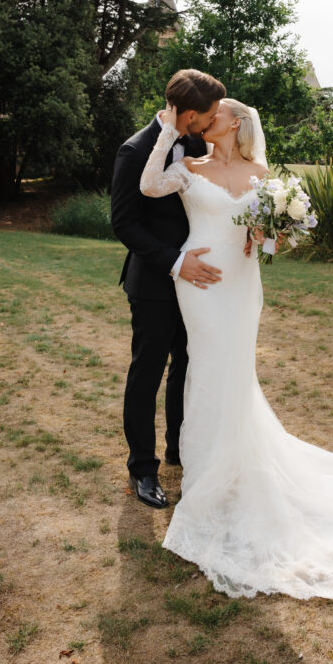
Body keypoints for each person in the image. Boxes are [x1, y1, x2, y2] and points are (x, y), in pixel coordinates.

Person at [138, 97, 333, 600]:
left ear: (236, 123)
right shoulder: (186, 165)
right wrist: (167, 132)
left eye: (215, 114)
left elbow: (275, 236)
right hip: (202, 283)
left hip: (243, 284)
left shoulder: (262, 172)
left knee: (235, 372)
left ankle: (236, 469)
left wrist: (264, 236)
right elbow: (149, 187)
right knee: (207, 369)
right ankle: (210, 477)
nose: (205, 118)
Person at [111, 69, 226, 509]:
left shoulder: (198, 143)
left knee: (187, 367)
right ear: (191, 114)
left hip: (198, 288)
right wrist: (177, 262)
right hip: (155, 284)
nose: (211, 121)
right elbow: (124, 223)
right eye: (209, 114)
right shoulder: (135, 150)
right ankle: (142, 469)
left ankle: (180, 450)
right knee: (148, 372)